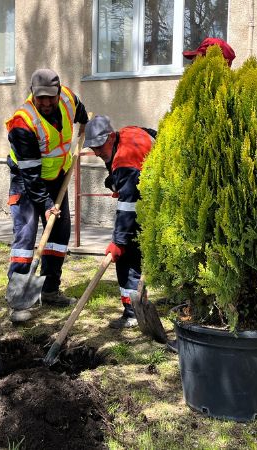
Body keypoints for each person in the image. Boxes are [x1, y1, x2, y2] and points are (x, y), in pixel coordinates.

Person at [5, 69, 89, 323]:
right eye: (40, 98)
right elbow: (31, 176)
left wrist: (84, 125)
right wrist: (47, 204)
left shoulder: (66, 98)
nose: (46, 103)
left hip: (57, 177)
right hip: (26, 179)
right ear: (32, 93)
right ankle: (18, 299)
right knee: (27, 235)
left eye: (50, 98)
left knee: (58, 234)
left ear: (58, 91)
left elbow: (81, 111)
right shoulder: (23, 123)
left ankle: (50, 289)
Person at [84, 115, 156, 329]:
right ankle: (137, 307)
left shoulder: (125, 161)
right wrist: (117, 181)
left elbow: (128, 208)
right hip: (159, 192)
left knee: (127, 254)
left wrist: (118, 242)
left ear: (110, 137)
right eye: (93, 148)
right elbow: (153, 136)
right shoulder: (129, 132)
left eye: (98, 147)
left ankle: (134, 313)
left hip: (149, 203)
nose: (96, 152)